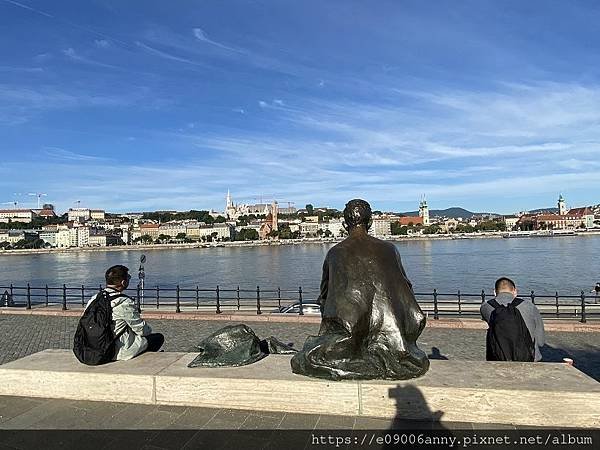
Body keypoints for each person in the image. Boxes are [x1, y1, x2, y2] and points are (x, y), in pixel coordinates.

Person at [291, 199, 429, 380]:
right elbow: (406, 288)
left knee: (309, 356)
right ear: (370, 223)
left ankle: (360, 345)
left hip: (350, 331)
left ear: (344, 224)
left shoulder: (335, 252)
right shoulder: (390, 249)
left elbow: (324, 295)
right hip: (393, 333)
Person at [86, 265, 164, 360]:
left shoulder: (94, 299)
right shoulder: (124, 303)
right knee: (158, 338)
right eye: (128, 277)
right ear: (123, 282)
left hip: (93, 347)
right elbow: (142, 330)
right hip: (116, 350)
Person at [480, 277, 545, 362]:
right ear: (515, 291)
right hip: (530, 359)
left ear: (494, 292)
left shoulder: (485, 307)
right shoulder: (530, 306)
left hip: (498, 359)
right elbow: (541, 342)